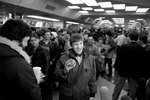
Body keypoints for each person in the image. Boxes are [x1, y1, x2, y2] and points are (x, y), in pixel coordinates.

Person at [0, 19, 42, 100]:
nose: (26, 45)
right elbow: (33, 94)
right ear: (17, 38)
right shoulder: (19, 64)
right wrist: (34, 80)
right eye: (26, 40)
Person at [55, 33, 97, 100]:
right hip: (68, 95)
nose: (79, 47)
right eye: (76, 44)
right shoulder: (64, 58)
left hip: (84, 94)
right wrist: (65, 70)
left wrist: (92, 92)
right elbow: (56, 76)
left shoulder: (90, 58)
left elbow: (92, 77)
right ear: (71, 45)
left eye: (81, 43)